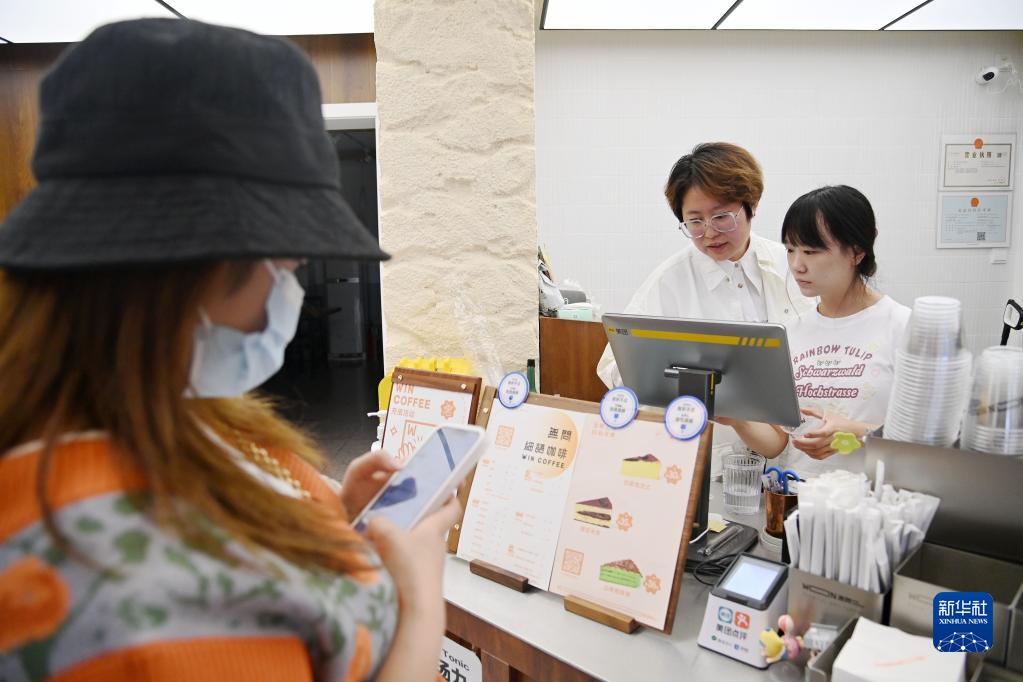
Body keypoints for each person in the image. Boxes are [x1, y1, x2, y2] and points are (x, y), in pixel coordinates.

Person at [0, 19, 456, 681]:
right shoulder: (131, 593)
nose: (293, 275)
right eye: (283, 257)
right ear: (187, 272)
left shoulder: (171, 415)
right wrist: (419, 607)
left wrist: (336, 519)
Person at [723, 185, 911, 477]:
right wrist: (737, 418)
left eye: (811, 251)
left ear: (857, 251)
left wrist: (855, 434)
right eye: (790, 250)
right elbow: (779, 442)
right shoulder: (790, 334)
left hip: (871, 498)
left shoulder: (903, 327)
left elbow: (926, 446)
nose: (797, 265)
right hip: (800, 497)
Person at [597, 142, 814, 388]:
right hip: (705, 412)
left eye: (721, 217)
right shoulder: (670, 281)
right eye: (695, 221)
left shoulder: (789, 264)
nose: (710, 233)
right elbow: (613, 368)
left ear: (752, 205)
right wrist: (676, 375)